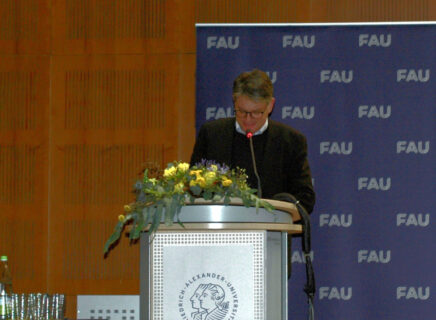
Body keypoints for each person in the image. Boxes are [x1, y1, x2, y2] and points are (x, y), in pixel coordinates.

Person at [190, 69, 315, 213]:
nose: (247, 120)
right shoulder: (211, 135)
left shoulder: (291, 141)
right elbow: (192, 187)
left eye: (256, 113)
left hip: (271, 231)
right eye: (241, 111)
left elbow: (305, 199)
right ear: (234, 102)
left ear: (270, 106)